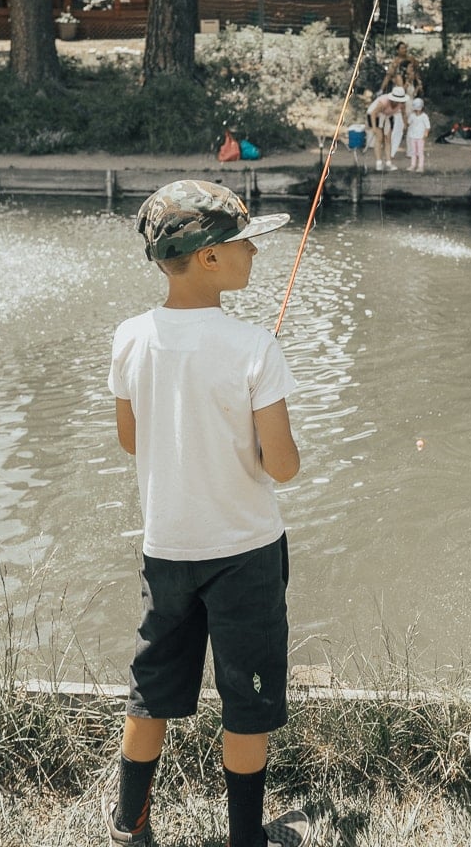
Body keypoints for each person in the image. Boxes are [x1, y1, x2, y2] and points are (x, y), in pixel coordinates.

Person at [104, 179, 310, 847]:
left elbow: (132, 439)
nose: (255, 253)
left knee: (152, 688)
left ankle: (129, 825)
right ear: (211, 257)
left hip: (165, 549)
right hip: (244, 553)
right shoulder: (256, 349)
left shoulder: (130, 337)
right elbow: (281, 466)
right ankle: (246, 840)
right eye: (245, 242)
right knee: (246, 704)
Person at [366, 85, 408, 171]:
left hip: (387, 116)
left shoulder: (402, 104)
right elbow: (373, 113)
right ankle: (378, 163)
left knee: (388, 139)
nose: (397, 102)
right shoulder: (384, 102)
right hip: (374, 116)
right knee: (379, 138)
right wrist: (374, 128)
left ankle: (389, 162)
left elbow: (403, 114)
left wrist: (405, 123)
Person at [406, 97, 431, 172]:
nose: (417, 110)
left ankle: (420, 166)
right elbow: (408, 123)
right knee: (413, 151)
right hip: (412, 136)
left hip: (420, 137)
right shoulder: (412, 115)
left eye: (419, 108)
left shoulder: (424, 116)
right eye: (416, 109)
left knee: (420, 152)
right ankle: (413, 165)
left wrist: (426, 133)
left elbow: (428, 126)